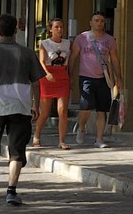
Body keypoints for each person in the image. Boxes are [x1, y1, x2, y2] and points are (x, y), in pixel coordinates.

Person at [0, 14, 44, 206]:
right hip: (20, 106)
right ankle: (12, 190)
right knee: (17, 150)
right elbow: (36, 82)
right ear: (16, 31)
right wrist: (36, 105)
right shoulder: (28, 53)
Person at [69, 13, 122, 147]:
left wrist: (119, 78)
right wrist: (69, 76)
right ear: (90, 22)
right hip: (86, 77)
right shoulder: (81, 38)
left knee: (102, 109)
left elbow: (115, 59)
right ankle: (81, 127)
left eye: (102, 21)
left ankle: (99, 139)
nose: (99, 23)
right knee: (85, 107)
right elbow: (73, 57)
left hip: (104, 78)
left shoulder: (110, 40)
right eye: (96, 20)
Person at [33, 19, 72, 148]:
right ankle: (36, 135)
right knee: (45, 112)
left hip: (62, 75)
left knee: (62, 110)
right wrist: (46, 74)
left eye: (61, 27)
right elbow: (42, 61)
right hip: (48, 76)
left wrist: (69, 76)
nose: (59, 29)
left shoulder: (67, 43)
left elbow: (69, 61)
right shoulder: (44, 43)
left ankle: (62, 141)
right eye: (56, 27)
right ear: (50, 29)